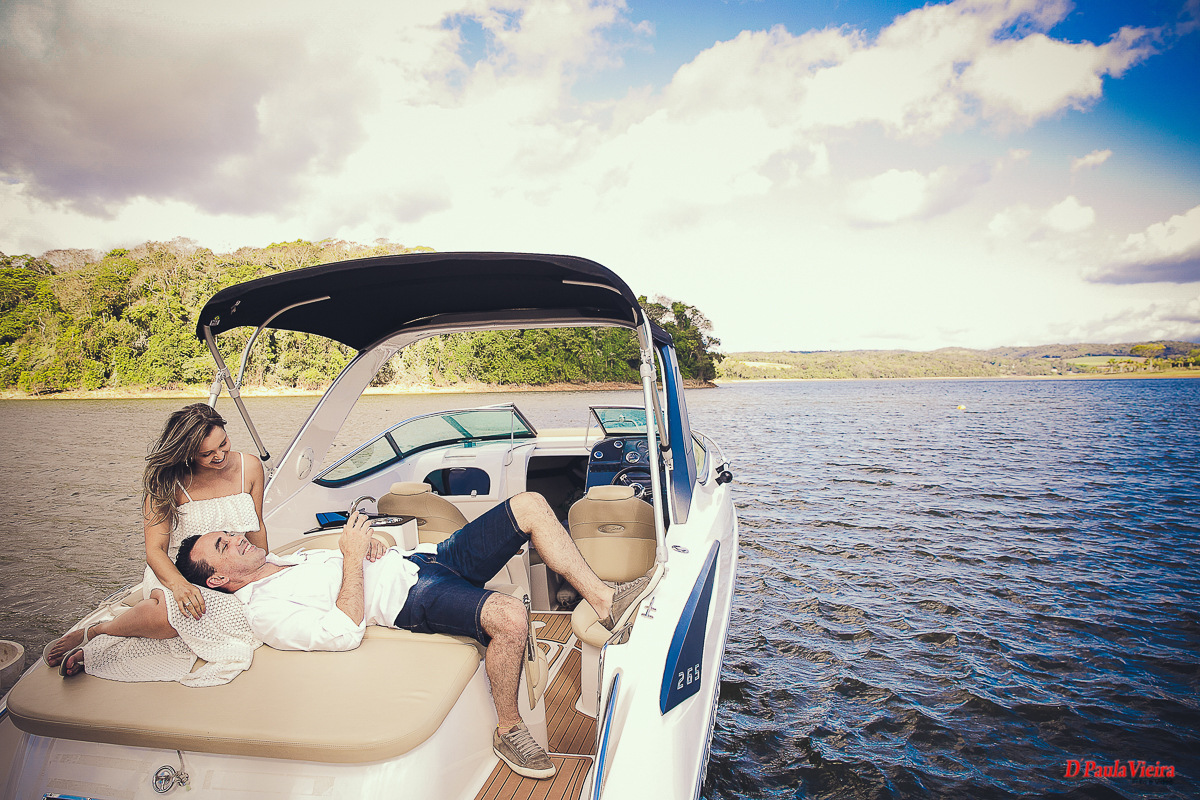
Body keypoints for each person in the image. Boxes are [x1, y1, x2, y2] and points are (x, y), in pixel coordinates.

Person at [175, 492, 655, 780]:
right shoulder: (264, 611)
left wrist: (370, 547)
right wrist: (349, 555)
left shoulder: (283, 559)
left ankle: (607, 603)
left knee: (528, 505)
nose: (236, 537)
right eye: (223, 545)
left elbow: (349, 565)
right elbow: (342, 630)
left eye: (229, 533)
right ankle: (509, 730)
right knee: (510, 615)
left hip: (425, 560)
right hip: (415, 598)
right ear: (216, 579)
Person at [43, 403, 306, 683]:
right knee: (172, 615)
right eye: (207, 453)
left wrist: (262, 566)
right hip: (176, 572)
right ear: (185, 452)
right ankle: (99, 632)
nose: (219, 456)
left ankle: (108, 635)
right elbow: (154, 551)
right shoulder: (165, 483)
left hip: (230, 571)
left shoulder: (250, 466)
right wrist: (180, 586)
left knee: (252, 615)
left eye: (223, 443)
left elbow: (257, 525)